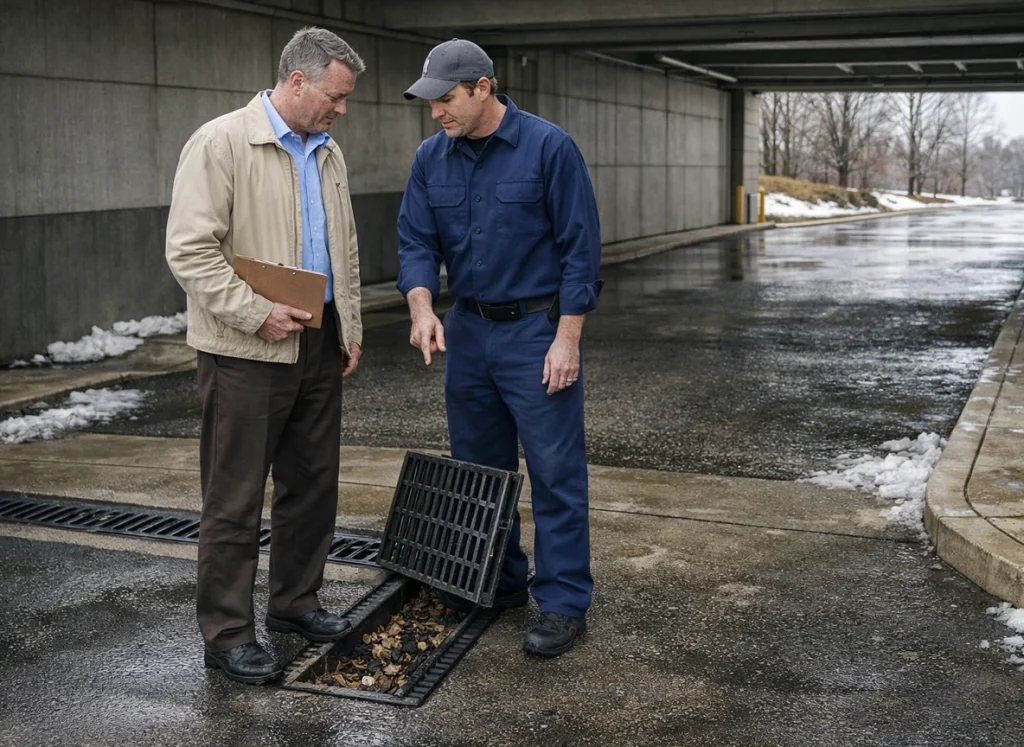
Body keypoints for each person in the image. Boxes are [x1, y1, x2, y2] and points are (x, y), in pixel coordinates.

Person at [165, 27, 365, 685]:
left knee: (313, 483)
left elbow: (345, 247)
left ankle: (295, 603)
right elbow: (191, 251)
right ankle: (225, 635)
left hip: (316, 337)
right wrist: (257, 312)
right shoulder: (222, 142)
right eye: (335, 96)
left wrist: (349, 323)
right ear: (298, 80)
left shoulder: (329, 152)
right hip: (244, 348)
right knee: (235, 494)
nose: (341, 109)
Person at [396, 39, 602, 658]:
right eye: (430, 102)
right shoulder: (431, 158)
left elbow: (580, 252)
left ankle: (563, 600)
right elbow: (414, 241)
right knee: (480, 469)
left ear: (483, 88)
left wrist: (567, 339)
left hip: (536, 331)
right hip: (468, 332)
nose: (436, 113)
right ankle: (501, 581)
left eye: (446, 99)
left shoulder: (549, 148)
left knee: (554, 472)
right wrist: (423, 306)